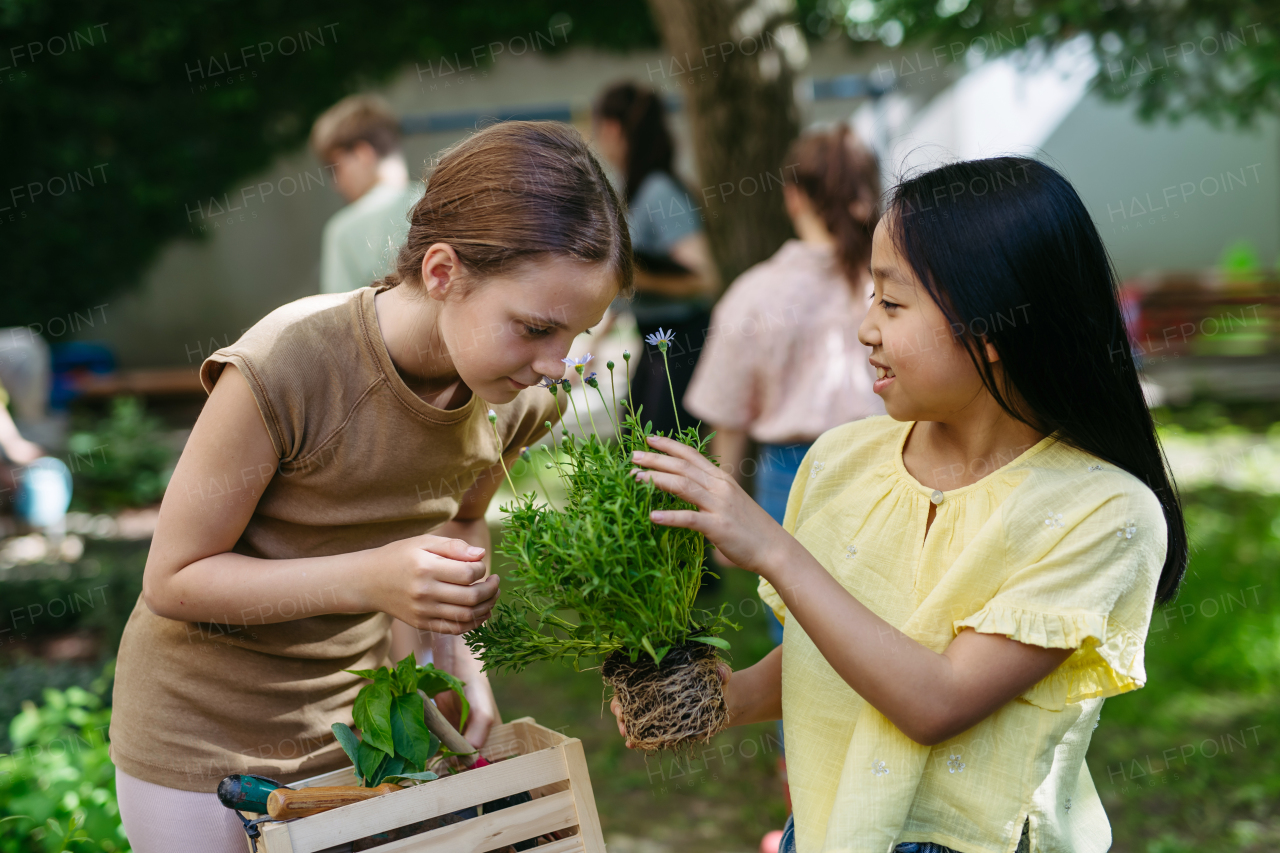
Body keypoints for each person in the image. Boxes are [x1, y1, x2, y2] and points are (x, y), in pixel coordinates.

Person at [617, 157, 1187, 853]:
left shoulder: (1103, 513)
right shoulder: (840, 459)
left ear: (991, 325)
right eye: (869, 298)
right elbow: (826, 659)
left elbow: (937, 701)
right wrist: (718, 698)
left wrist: (771, 547)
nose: (866, 329)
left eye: (891, 302)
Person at [109, 121, 632, 853]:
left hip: (366, 731)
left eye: (576, 336)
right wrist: (372, 578)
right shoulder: (290, 363)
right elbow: (174, 577)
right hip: (204, 743)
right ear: (444, 272)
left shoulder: (519, 398)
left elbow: (462, 522)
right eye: (535, 327)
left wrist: (458, 656)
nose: (556, 363)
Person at [683, 123, 886, 853]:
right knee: (895, 628)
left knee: (800, 654)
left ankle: (817, 823)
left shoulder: (759, 291)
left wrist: (719, 515)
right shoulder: (891, 281)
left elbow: (727, 421)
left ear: (792, 192)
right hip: (894, 462)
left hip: (791, 474)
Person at [592, 82, 717, 436]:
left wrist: (635, 277)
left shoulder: (659, 190)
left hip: (681, 341)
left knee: (659, 449)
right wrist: (595, 345)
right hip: (651, 339)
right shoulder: (631, 189)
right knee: (633, 441)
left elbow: (704, 280)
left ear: (613, 129)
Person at [312, 94, 425, 294]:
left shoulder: (342, 231)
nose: (335, 184)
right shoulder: (439, 197)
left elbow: (340, 318)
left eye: (334, 168)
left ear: (361, 153)